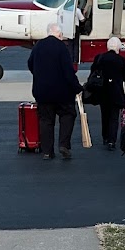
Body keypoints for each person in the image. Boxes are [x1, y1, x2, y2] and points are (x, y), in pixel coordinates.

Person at [27, 22, 84, 160]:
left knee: (46, 120)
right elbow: (68, 72)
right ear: (59, 34)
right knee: (67, 115)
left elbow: (30, 64)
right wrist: (77, 88)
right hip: (62, 92)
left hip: (42, 91)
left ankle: (47, 151)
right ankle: (64, 144)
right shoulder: (62, 48)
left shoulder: (38, 46)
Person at [90, 36, 125, 150]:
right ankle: (112, 141)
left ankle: (105, 137)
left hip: (102, 90)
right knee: (114, 117)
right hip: (116, 91)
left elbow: (93, 71)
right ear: (117, 47)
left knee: (105, 114)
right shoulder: (120, 60)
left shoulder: (99, 58)